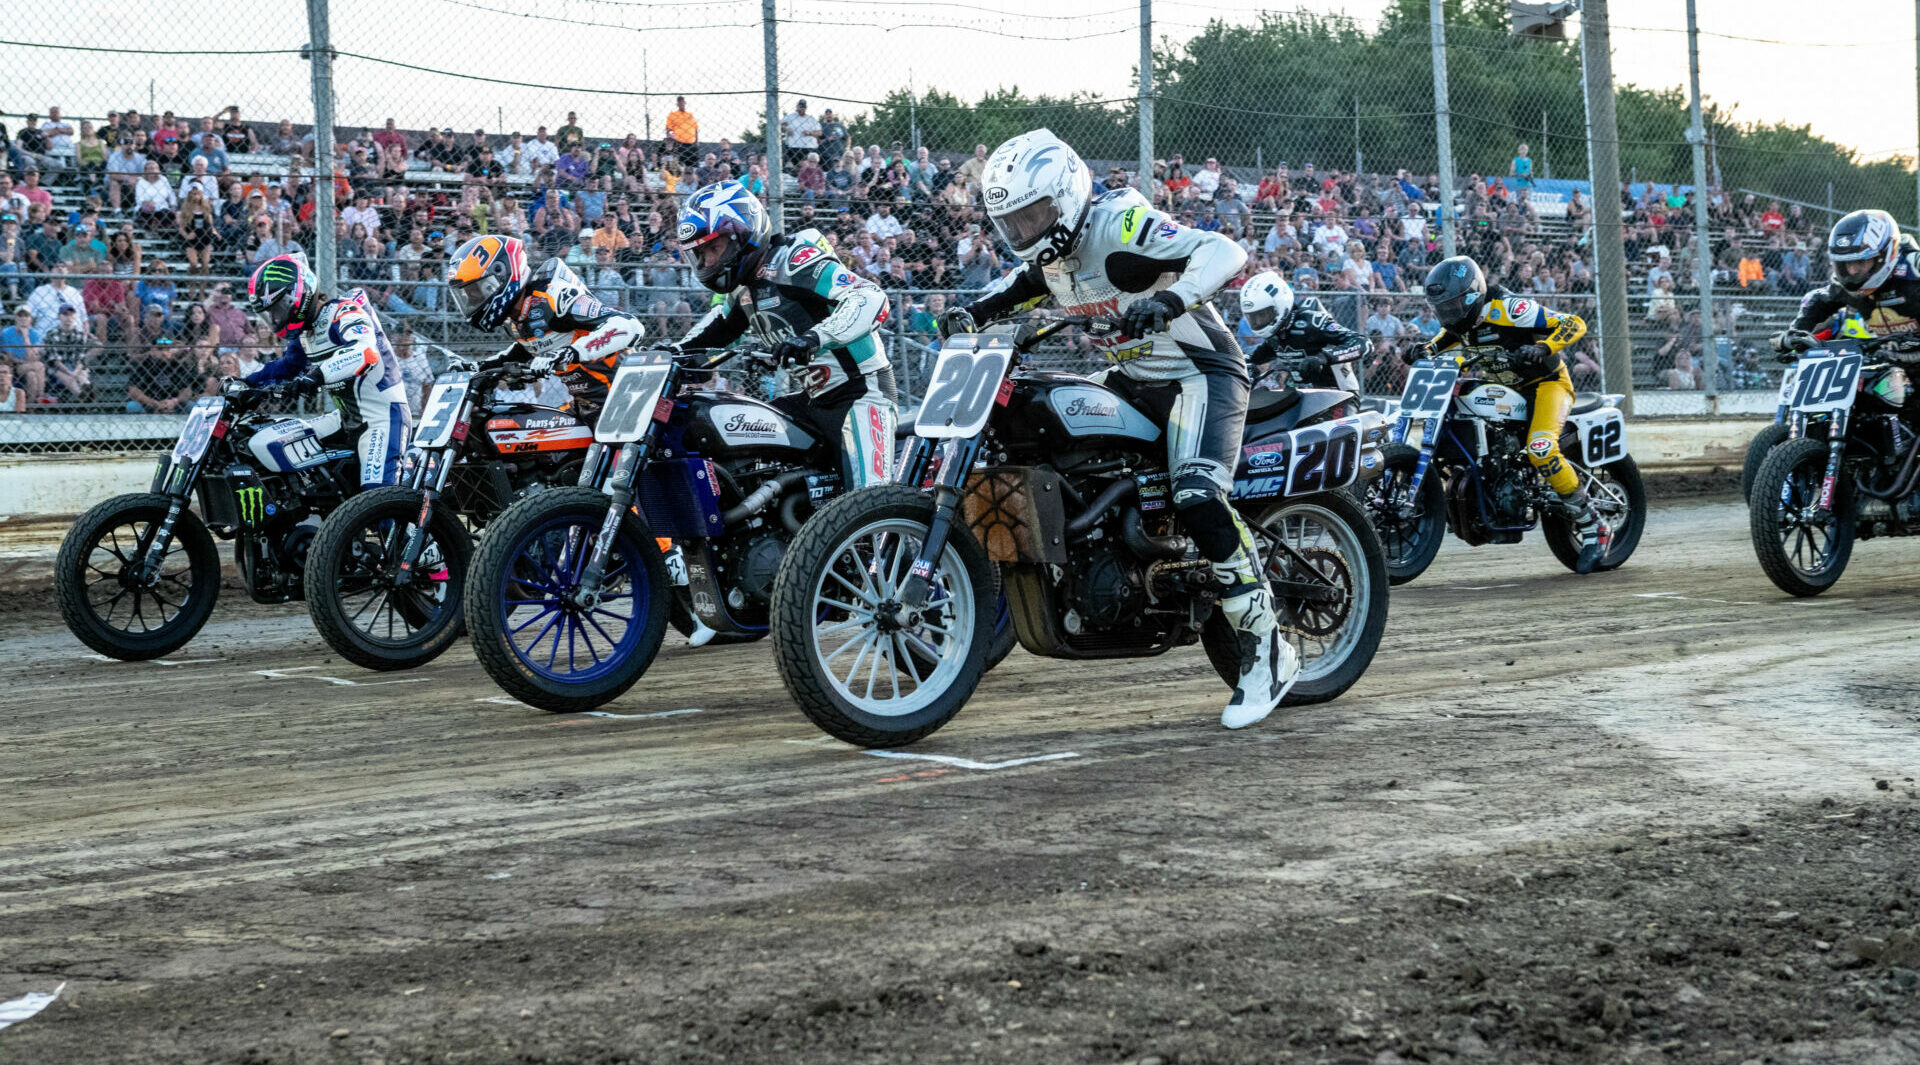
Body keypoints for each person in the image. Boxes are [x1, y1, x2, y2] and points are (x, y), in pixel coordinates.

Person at [939, 129, 1293, 729]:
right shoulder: (1050, 259)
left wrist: (1174, 298)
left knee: (1199, 494)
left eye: (1035, 215)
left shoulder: (1121, 225)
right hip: (1131, 379)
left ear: (1068, 195)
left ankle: (1267, 648)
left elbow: (1224, 252)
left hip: (1197, 374)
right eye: (1014, 222)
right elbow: (1013, 288)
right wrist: (968, 312)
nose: (1026, 232)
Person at [673, 180, 898, 494]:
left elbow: (870, 297)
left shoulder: (793, 259)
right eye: (700, 253)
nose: (708, 262)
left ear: (743, 233)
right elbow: (715, 329)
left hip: (861, 392)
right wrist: (669, 352)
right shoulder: (743, 289)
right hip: (811, 400)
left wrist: (813, 338)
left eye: (714, 248)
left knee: (869, 504)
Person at [1418, 255, 1608, 572]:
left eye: (1452, 307)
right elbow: (1445, 339)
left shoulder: (1509, 309)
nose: (1447, 314)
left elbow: (1574, 323)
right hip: (1506, 389)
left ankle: (1595, 525)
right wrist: (1422, 351)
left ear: (1472, 295)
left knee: (1541, 448)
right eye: (1442, 309)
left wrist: (1543, 348)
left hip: (1546, 385)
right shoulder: (1463, 322)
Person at [242, 254, 411, 488]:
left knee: (378, 501)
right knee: (277, 447)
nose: (275, 318)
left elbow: (364, 351)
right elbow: (287, 367)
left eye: (279, 308)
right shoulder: (306, 334)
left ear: (299, 294)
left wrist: (316, 377)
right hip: (344, 419)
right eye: (270, 313)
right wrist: (245, 383)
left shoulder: (343, 311)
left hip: (383, 417)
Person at [443, 233, 644, 420]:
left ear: (499, 277)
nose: (472, 299)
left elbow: (630, 325)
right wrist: (478, 368)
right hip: (587, 406)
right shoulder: (517, 318)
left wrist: (570, 353)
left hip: (625, 402)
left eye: (474, 291)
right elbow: (522, 351)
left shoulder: (554, 296)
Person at [1774, 210, 1920, 354]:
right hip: (1888, 361)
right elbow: (1819, 300)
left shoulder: (1914, 268)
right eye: (1845, 264)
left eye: (1860, 262)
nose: (1852, 271)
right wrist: (1794, 335)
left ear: (1885, 255)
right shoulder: (1846, 287)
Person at [1237, 271, 1365, 393]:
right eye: (1254, 317)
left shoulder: (1314, 322)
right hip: (1300, 397)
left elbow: (1363, 342)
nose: (1259, 321)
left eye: (1263, 315)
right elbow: (1254, 358)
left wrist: (1324, 357)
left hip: (1339, 394)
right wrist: (1246, 366)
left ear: (1280, 304)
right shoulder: (1275, 336)